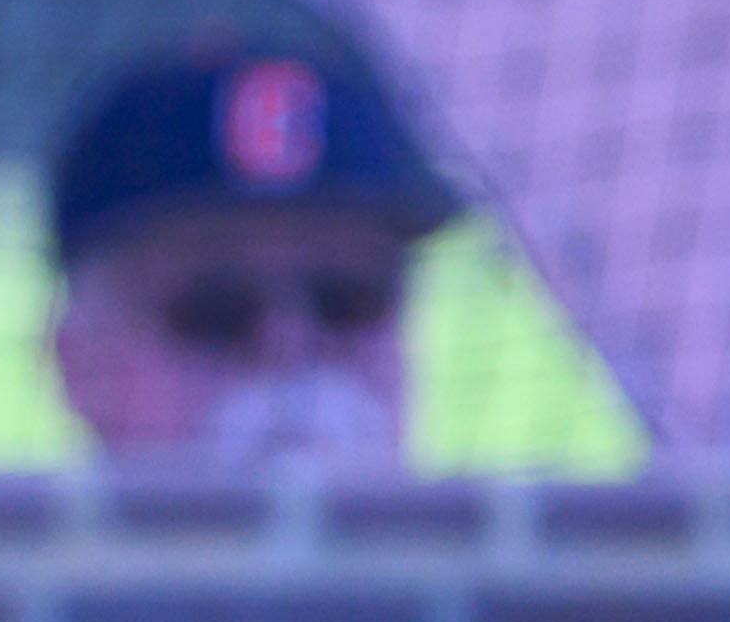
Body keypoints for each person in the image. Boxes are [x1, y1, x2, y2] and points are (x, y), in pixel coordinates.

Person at [42, 29, 460, 464]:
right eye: (218, 311)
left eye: (347, 301)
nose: (290, 348)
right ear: (79, 363)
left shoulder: (512, 532)